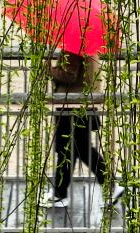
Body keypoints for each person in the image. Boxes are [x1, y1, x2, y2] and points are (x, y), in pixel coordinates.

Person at [40, 49, 125, 209]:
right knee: (73, 150)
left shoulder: (74, 48)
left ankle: (108, 186)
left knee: (72, 149)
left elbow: (69, 75)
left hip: (72, 106)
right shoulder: (87, 46)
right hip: (83, 103)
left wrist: (49, 70)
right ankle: (60, 193)